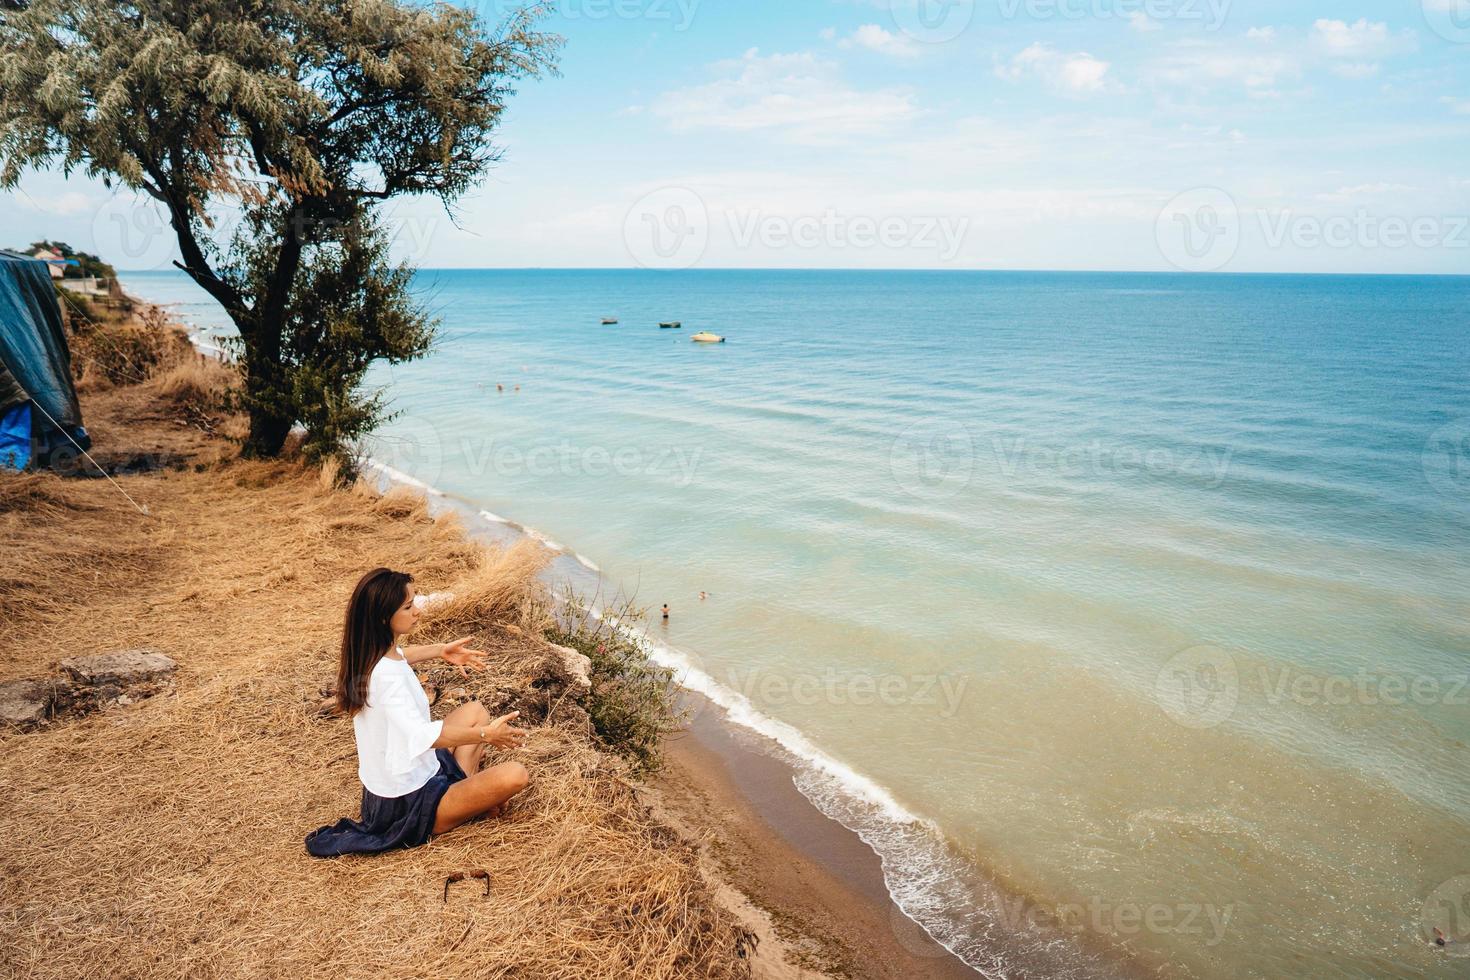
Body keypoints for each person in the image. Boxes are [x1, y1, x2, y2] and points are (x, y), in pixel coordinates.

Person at [305, 568, 531, 858]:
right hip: (408, 804)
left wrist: (440, 650)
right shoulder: (388, 679)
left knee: (474, 709)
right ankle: (463, 805)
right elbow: (422, 736)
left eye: (415, 602)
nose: (417, 612)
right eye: (408, 607)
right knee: (516, 775)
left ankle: (465, 793)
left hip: (398, 782)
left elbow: (401, 657)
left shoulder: (371, 653)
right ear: (384, 617)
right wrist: (488, 735)